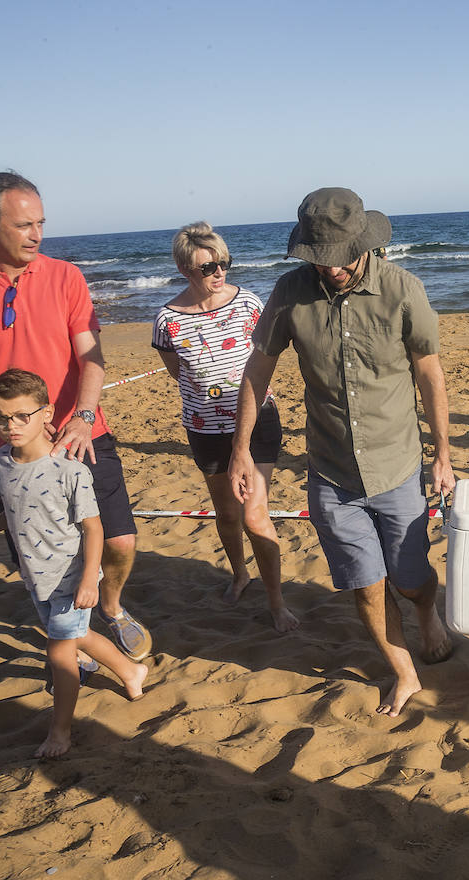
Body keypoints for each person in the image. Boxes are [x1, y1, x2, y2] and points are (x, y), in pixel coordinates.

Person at [230, 188, 455, 716]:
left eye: (339, 256)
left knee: (411, 579)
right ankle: (404, 673)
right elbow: (258, 369)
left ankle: (427, 613)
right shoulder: (288, 293)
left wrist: (442, 453)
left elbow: (429, 372)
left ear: (363, 242)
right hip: (330, 472)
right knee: (366, 585)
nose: (330, 268)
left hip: (397, 464)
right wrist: (242, 448)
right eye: (319, 258)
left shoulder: (404, 289)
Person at [0, 171, 152, 663]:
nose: (37, 235)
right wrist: (10, 419)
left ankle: (112, 609)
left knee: (119, 541)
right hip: (12, 450)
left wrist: (81, 416)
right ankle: (76, 635)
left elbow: (91, 360)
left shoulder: (65, 276)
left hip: (83, 433)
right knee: (44, 562)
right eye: (24, 224)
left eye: (41, 223)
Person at [0, 369, 148, 758]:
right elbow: (13, 505)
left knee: (60, 652)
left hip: (71, 578)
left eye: (22, 415)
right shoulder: (3, 459)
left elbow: (93, 528)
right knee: (78, 637)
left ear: (46, 413)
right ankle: (131, 671)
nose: (11, 426)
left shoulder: (69, 469)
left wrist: (90, 579)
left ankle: (60, 732)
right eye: (1, 418)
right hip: (35, 575)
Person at [152, 222, 297, 632]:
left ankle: (277, 602)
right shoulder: (167, 320)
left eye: (224, 264)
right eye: (208, 267)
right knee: (227, 514)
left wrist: (241, 438)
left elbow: (263, 366)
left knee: (254, 516)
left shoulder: (248, 304)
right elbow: (178, 373)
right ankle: (239, 574)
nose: (219, 273)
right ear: (185, 270)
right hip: (203, 428)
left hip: (255, 424)